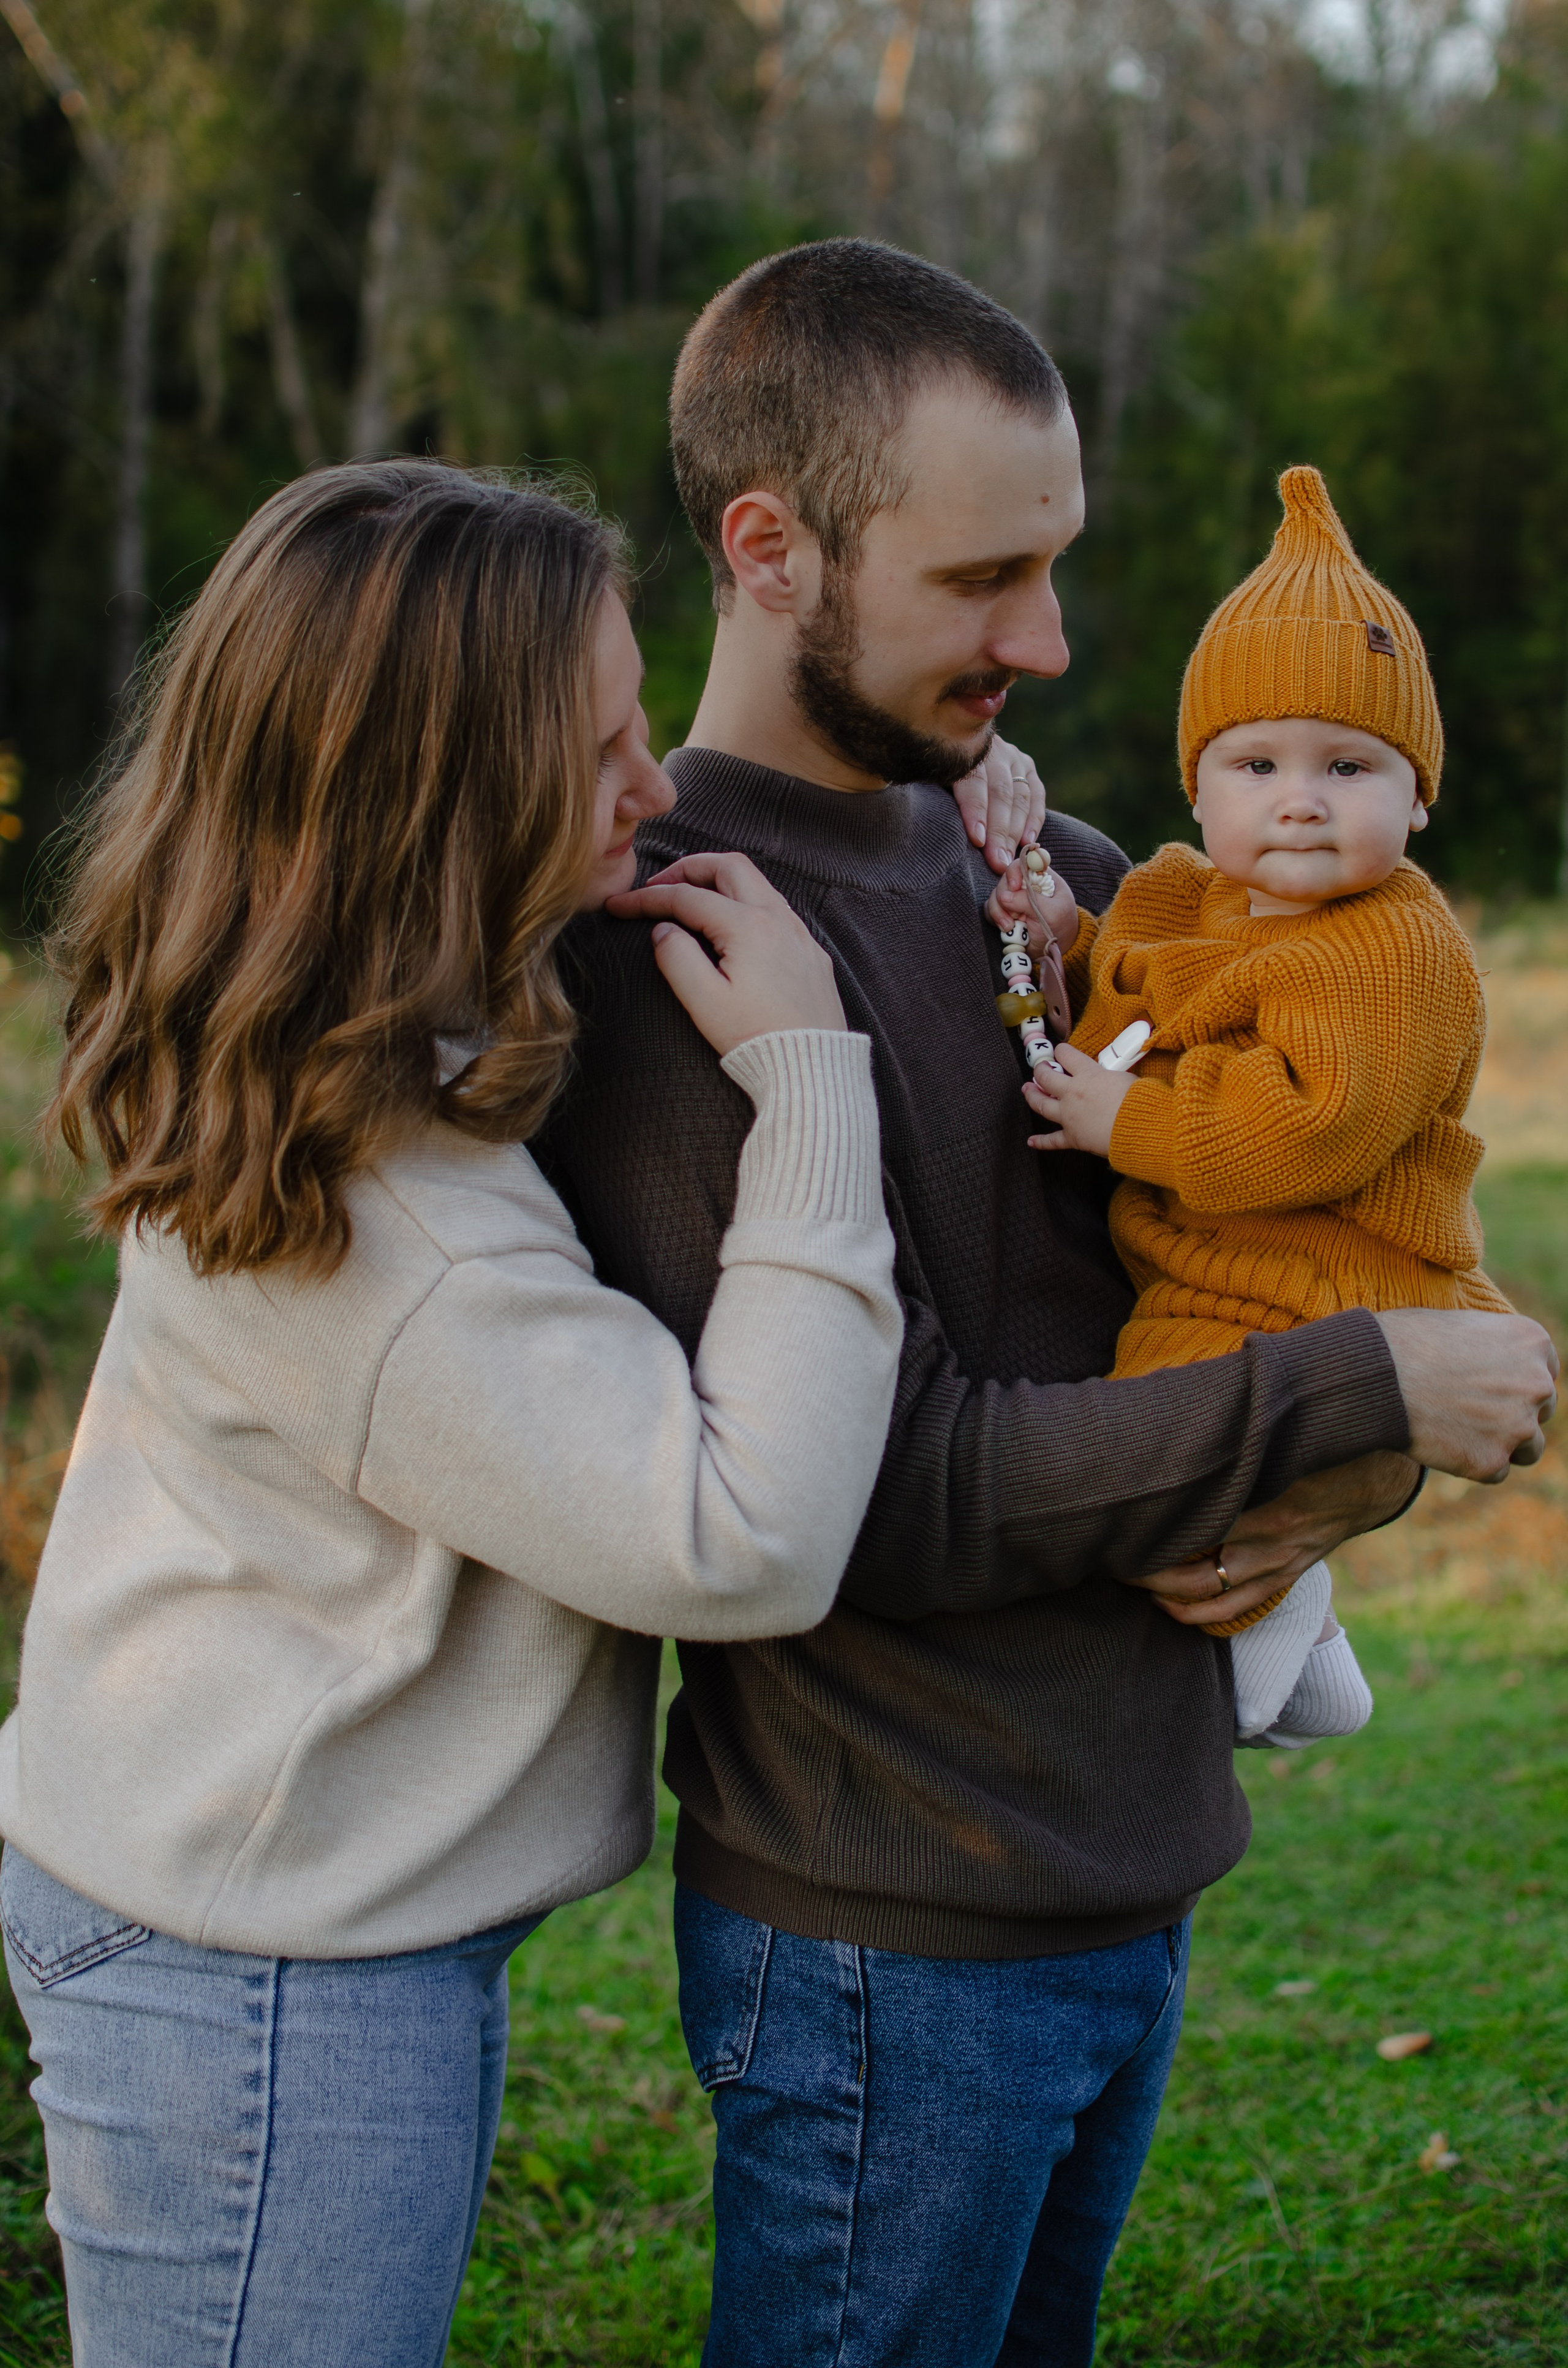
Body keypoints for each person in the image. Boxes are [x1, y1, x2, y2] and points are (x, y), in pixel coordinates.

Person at [540, 241, 1558, 2367]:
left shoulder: (1067, 870)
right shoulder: (682, 957)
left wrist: (1350, 1462)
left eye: (1060, 564)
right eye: (989, 578)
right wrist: (1366, 1385)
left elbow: (1268, 1258)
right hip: (891, 1933)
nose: (1054, 637)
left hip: (1129, 1869)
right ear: (773, 548)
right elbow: (865, 1493)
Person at [0, 457, 914, 2368]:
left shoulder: (344, 1052)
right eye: (595, 752)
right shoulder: (383, 1220)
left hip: (251, 1914)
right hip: (257, 1975)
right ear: (437, 802)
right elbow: (737, 1540)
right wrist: (818, 1083)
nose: (654, 784)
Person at [992, 462, 1510, 1749]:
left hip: (1319, 1270)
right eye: (1254, 760)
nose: (1297, 797)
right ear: (1196, 786)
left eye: (1348, 765)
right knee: (1158, 1443)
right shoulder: (1182, 895)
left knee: (1155, 1475)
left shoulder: (1389, 947)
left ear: (1417, 794)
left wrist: (1131, 1126)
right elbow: (1140, 989)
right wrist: (1069, 931)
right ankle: (1307, 1638)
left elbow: (1307, 1124)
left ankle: (1262, 1645)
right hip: (1215, 1266)